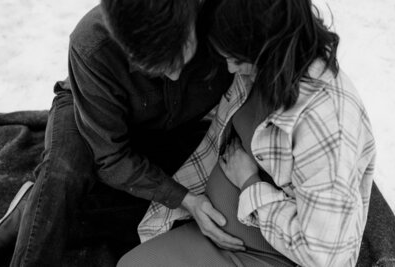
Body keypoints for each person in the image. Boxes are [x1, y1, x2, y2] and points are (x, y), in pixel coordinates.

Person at [118, 0, 376, 266]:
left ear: (271, 45)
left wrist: (249, 183)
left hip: (268, 255)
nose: (230, 69)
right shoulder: (264, 69)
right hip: (216, 225)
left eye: (238, 59)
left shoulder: (326, 121)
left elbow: (325, 255)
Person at [0, 0, 240, 266]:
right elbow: (111, 158)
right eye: (155, 68)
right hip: (87, 111)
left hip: (168, 127)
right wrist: (186, 200)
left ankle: (34, 209)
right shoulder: (90, 45)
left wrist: (184, 198)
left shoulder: (223, 16)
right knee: (64, 174)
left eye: (179, 58)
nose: (173, 76)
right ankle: (46, 202)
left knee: (160, 207)